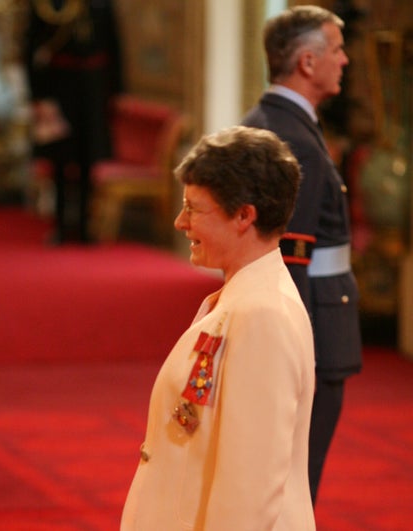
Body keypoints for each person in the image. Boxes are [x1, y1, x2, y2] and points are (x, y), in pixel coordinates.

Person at [121, 126, 316, 530]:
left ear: (245, 215)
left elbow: (251, 486)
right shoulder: (240, 299)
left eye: (194, 208)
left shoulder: (264, 316)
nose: (180, 221)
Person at [241, 5, 362, 504]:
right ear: (308, 63)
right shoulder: (298, 142)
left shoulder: (270, 122)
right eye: (336, 49)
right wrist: (298, 352)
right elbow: (288, 263)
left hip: (307, 320)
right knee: (294, 486)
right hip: (314, 327)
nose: (346, 60)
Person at [24, 0, 123, 244]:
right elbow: (30, 48)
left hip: (93, 92)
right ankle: (60, 225)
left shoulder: (102, 5)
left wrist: (117, 92)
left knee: (88, 161)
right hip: (58, 90)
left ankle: (84, 227)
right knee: (59, 161)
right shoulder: (47, 5)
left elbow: (114, 48)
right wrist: (36, 95)